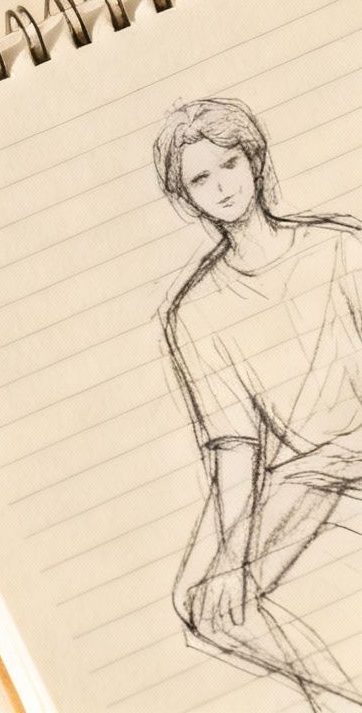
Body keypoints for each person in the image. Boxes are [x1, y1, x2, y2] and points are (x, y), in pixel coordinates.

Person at [154, 97, 362, 708]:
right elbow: (235, 447)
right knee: (206, 600)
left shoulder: (340, 248)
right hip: (301, 474)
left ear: (255, 162)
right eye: (200, 177)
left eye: (230, 164)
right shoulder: (193, 311)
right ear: (184, 195)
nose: (221, 186)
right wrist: (233, 553)